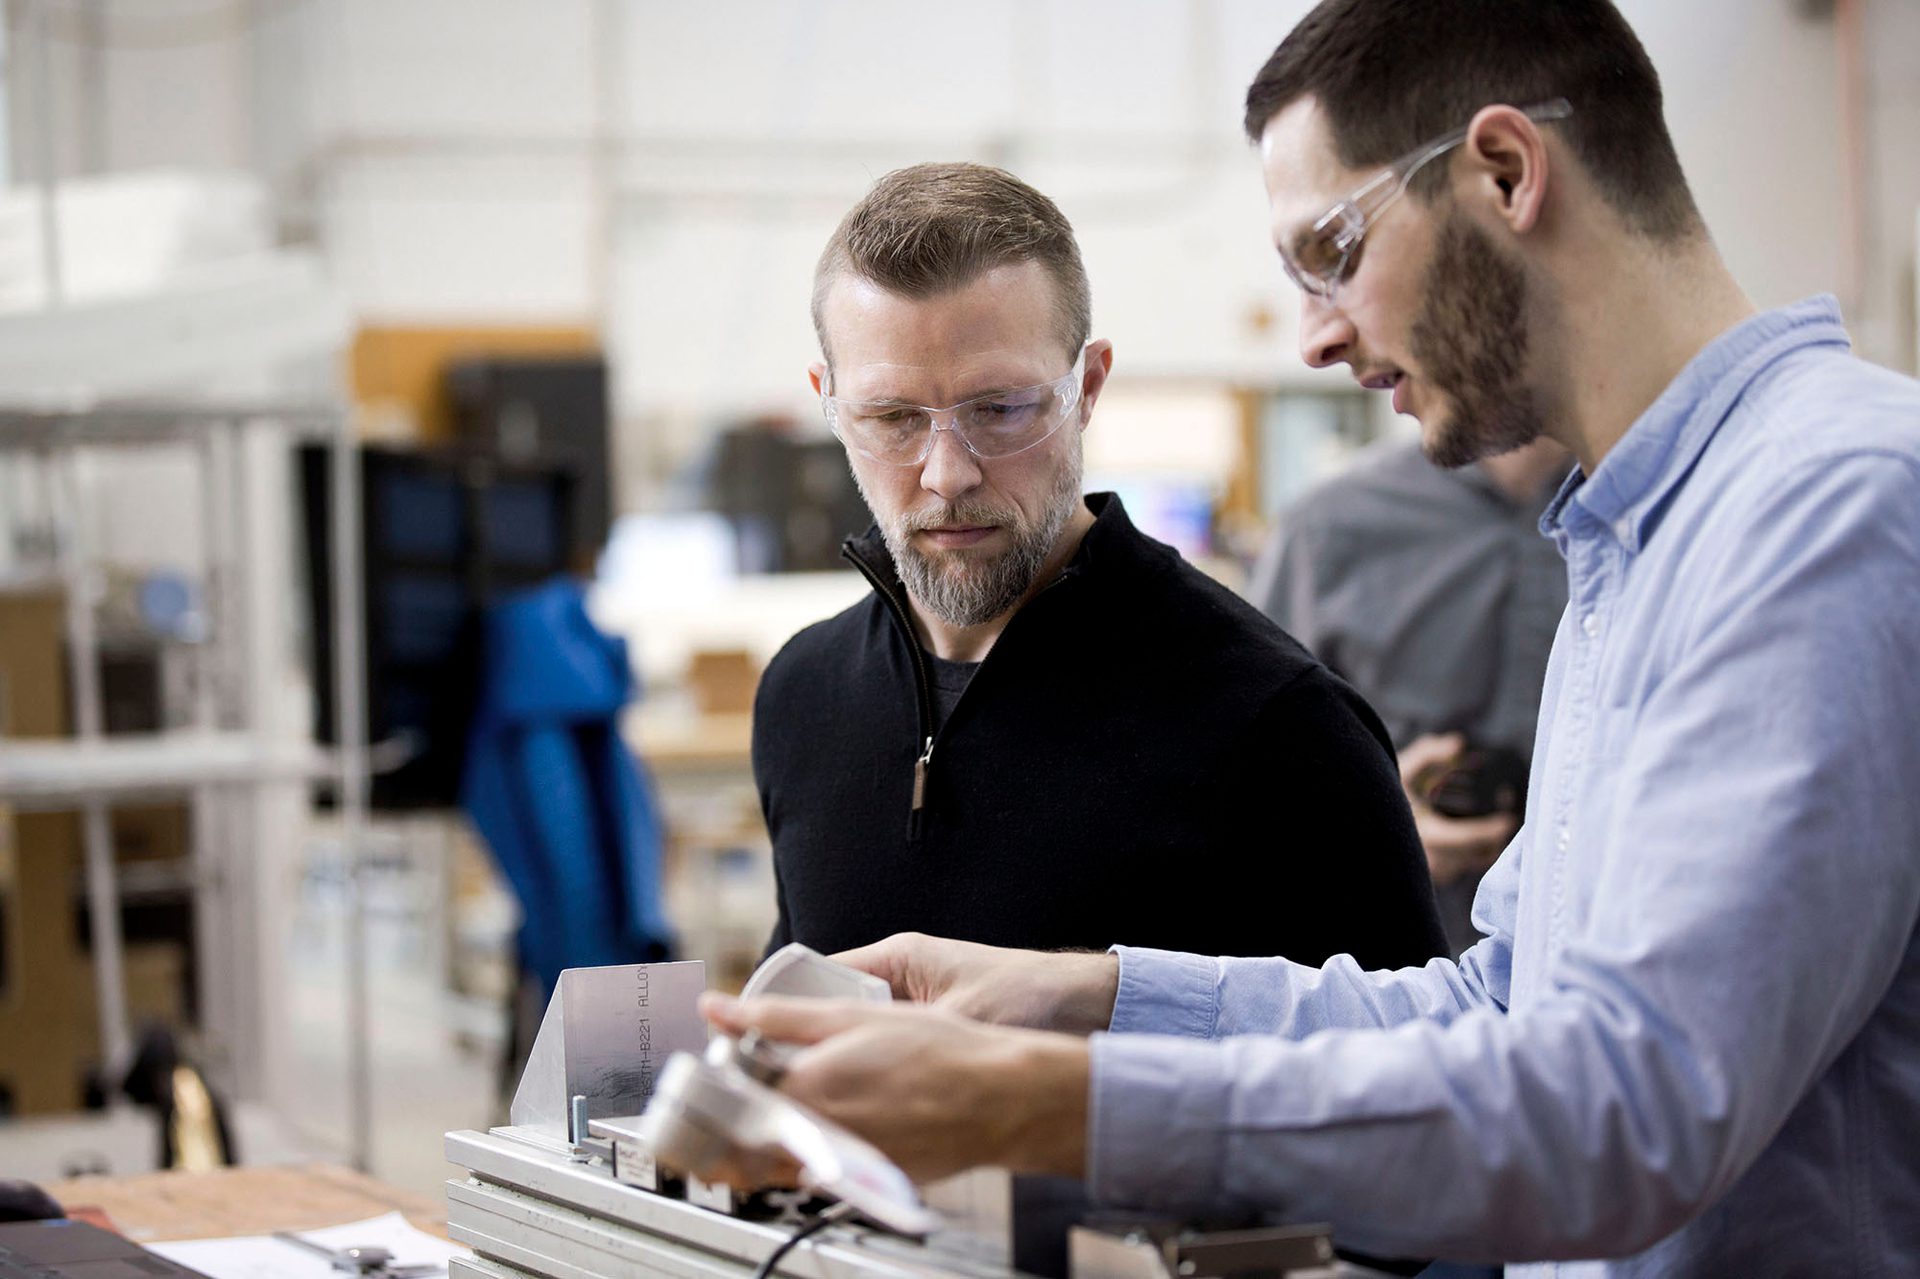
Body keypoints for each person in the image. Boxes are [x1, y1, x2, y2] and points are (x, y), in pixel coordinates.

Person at [702, 3, 1920, 1273]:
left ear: (1506, 171)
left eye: (1332, 249)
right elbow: (1494, 1008)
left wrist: (1058, 1102)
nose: (1316, 335)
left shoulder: (1830, 509)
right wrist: (1091, 999)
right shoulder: (1634, 539)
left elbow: (1622, 1110)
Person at [751, 162, 1448, 1274]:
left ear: (1088, 385)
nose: (946, 474)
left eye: (1000, 408)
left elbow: (1429, 1149)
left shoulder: (1274, 723)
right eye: (891, 417)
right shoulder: (802, 695)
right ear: (830, 402)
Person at [1251, 436, 1571, 954]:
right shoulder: (1331, 525)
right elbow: (1254, 774)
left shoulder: (1666, 510)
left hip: (1609, 947)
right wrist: (1372, 830)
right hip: (1393, 955)